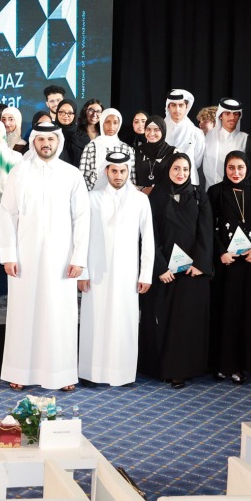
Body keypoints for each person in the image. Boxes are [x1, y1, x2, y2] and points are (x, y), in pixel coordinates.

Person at [0, 123, 90, 391]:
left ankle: (62, 375)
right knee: (23, 315)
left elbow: (82, 218)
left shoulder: (71, 174)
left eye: (51, 138)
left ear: (58, 141)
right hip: (24, 258)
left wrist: (79, 258)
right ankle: (20, 372)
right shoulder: (19, 172)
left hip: (61, 259)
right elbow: (8, 214)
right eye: (41, 139)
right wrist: (8, 255)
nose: (46, 143)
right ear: (34, 141)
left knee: (59, 315)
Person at [77, 151, 154, 387]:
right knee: (94, 321)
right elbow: (81, 238)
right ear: (106, 171)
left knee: (125, 322)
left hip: (127, 274)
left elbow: (148, 239)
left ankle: (123, 373)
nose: (118, 176)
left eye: (122, 171)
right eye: (114, 171)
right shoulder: (91, 198)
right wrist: (83, 273)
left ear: (128, 172)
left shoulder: (141, 200)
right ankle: (92, 373)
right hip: (96, 271)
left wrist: (145, 274)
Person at [140, 152, 213, 388]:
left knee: (187, 322)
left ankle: (185, 369)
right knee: (165, 321)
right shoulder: (156, 197)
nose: (181, 173)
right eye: (176, 169)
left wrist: (199, 264)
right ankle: (164, 368)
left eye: (185, 169)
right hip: (166, 273)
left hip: (192, 272)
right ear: (168, 171)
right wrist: (160, 267)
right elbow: (151, 235)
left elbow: (206, 231)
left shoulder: (199, 195)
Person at [208, 150, 251, 383]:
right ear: (225, 168)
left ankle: (241, 367)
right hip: (226, 264)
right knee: (225, 314)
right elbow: (209, 226)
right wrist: (220, 253)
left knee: (248, 315)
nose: (236, 172)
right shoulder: (215, 192)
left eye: (240, 168)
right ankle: (222, 365)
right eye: (231, 167)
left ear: (247, 168)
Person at [79, 108, 133, 190]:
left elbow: (131, 178)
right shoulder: (91, 146)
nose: (111, 126)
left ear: (119, 124)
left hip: (120, 197)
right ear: (102, 123)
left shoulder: (126, 149)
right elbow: (82, 176)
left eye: (115, 123)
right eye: (107, 122)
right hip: (93, 195)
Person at [201, 98, 246, 191]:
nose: (232, 117)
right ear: (220, 116)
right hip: (211, 190)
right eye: (227, 113)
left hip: (236, 190)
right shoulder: (208, 136)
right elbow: (207, 167)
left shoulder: (245, 138)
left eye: (235, 114)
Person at [164, 89, 204, 184]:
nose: (177, 109)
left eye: (181, 105)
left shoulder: (196, 132)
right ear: (168, 107)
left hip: (189, 181)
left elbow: (197, 162)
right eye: (173, 105)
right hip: (164, 180)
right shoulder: (159, 130)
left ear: (187, 107)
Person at [133, 116, 173, 194]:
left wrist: (154, 189)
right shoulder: (136, 151)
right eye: (148, 129)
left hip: (164, 199)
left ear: (163, 131)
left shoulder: (173, 153)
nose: (151, 133)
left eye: (156, 130)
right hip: (140, 199)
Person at [54, 99, 86, 165]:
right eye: (62, 112)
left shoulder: (82, 136)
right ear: (57, 113)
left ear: (74, 115)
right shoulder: (51, 133)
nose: (66, 116)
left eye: (70, 113)